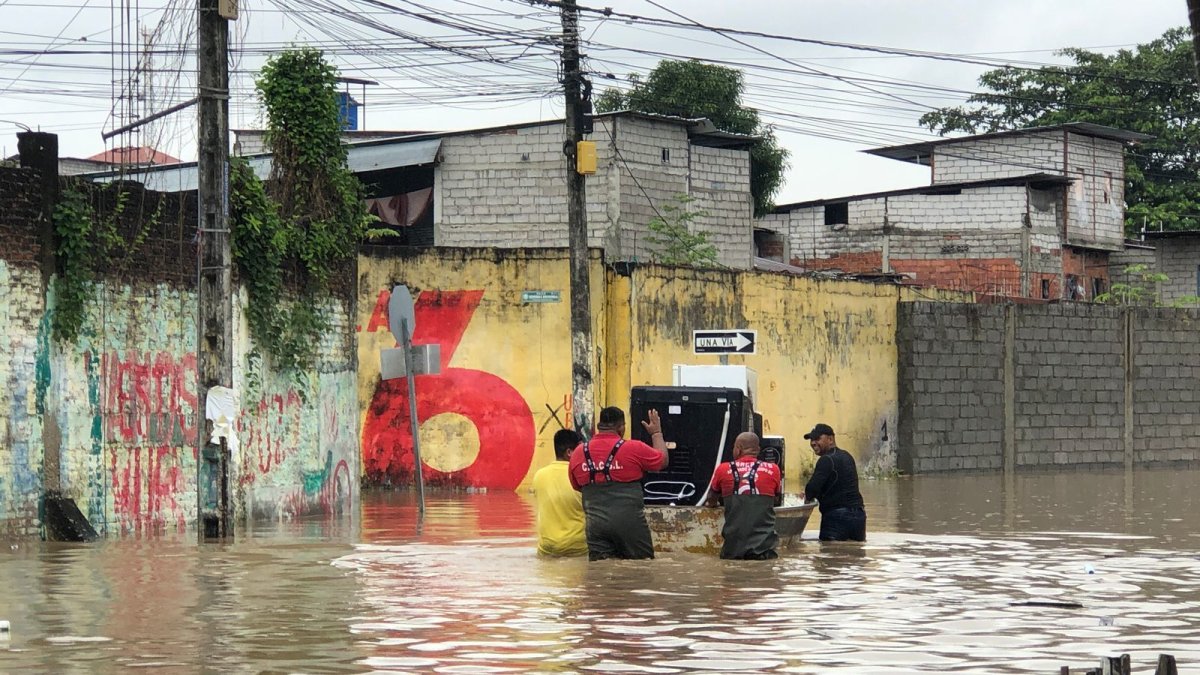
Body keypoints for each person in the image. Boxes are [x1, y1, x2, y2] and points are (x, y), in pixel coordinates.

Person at [568, 406, 668, 561]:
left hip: (595, 526)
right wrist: (656, 433)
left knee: (600, 573)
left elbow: (577, 486)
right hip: (629, 525)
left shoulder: (578, 453)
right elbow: (662, 461)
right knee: (642, 568)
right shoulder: (633, 448)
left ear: (599, 426)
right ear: (621, 427)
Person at [704, 432, 783, 560]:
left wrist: (715, 504)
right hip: (764, 551)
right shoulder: (773, 470)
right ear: (758, 450)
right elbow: (777, 499)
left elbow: (711, 499)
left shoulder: (723, 469)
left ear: (738, 448)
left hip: (733, 550)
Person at [800, 423, 866, 542]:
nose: (813, 443)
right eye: (811, 440)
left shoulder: (826, 459)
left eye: (817, 438)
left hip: (836, 517)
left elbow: (812, 489)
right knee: (856, 556)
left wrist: (806, 496)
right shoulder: (848, 456)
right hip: (859, 516)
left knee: (830, 555)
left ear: (830, 439)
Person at [531, 429, 588, 557]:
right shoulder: (581, 475)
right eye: (580, 450)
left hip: (547, 549)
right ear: (569, 452)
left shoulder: (539, 476)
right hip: (578, 548)